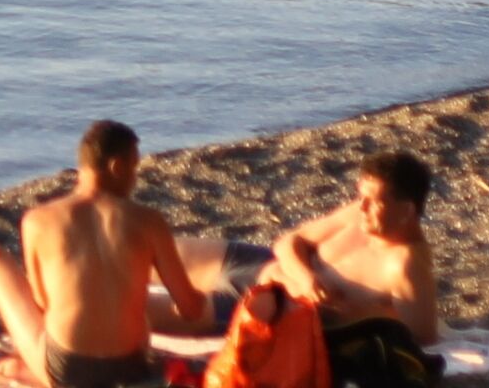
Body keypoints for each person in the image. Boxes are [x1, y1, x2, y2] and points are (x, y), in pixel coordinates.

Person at [0, 119, 208, 386]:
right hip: (131, 368)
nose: (134, 179)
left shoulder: (38, 220)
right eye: (134, 168)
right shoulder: (149, 221)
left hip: (68, 372)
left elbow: (42, 304)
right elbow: (191, 310)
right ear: (117, 166)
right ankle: (18, 364)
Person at [187, 155, 442, 387]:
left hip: (254, 307)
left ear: (407, 210)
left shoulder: (404, 264)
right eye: (361, 196)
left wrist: (348, 311)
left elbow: (422, 336)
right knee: (156, 247)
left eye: (373, 201)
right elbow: (288, 241)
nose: (362, 207)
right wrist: (305, 278)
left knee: (151, 308)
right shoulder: (358, 214)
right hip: (261, 261)